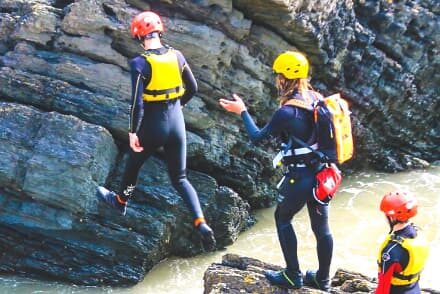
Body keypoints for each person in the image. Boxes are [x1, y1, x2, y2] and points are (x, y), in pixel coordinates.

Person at [95, 11, 215, 250]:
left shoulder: (140, 63)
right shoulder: (177, 56)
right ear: (160, 31)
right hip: (176, 123)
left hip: (153, 125)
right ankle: (200, 222)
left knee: (133, 164)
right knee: (180, 179)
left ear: (139, 36)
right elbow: (193, 88)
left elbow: (137, 104)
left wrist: (132, 132)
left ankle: (120, 201)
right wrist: (176, 107)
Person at [218, 51, 334, 290]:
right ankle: (323, 279)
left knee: (282, 219)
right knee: (321, 228)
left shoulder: (286, 112)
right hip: (322, 174)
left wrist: (242, 111)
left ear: (284, 78)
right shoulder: (315, 98)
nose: (277, 79)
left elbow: (257, 137)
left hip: (301, 177)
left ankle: (293, 274)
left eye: (278, 75)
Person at [376, 191, 428, 294]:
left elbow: (383, 288)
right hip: (415, 290)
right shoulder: (418, 234)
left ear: (392, 217)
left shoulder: (391, 250)